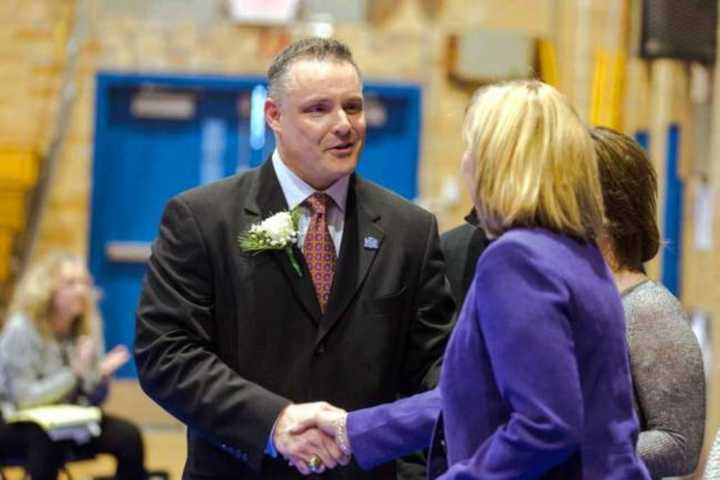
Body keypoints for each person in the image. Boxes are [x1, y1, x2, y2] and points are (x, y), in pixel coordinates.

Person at [295, 80, 651, 479]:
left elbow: (546, 425)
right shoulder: (576, 252)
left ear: (496, 162)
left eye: (471, 147)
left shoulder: (518, 260)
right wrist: (352, 431)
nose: (465, 161)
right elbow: (474, 396)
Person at [134, 37, 454, 479]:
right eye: (319, 109)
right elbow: (166, 354)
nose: (344, 124)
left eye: (354, 107)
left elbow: (432, 363)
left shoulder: (410, 230)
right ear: (274, 116)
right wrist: (273, 421)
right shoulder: (204, 219)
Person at [591, 126, 705, 478]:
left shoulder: (648, 308)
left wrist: (580, 449)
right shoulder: (572, 294)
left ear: (605, 206)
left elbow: (679, 443)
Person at [0, 252, 146, 480]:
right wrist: (73, 373)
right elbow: (24, 398)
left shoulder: (87, 326)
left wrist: (100, 377)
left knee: (128, 437)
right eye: (70, 283)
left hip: (67, 421)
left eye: (85, 283)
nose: (81, 290)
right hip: (16, 421)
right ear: (47, 289)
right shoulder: (22, 328)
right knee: (47, 440)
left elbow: (91, 401)